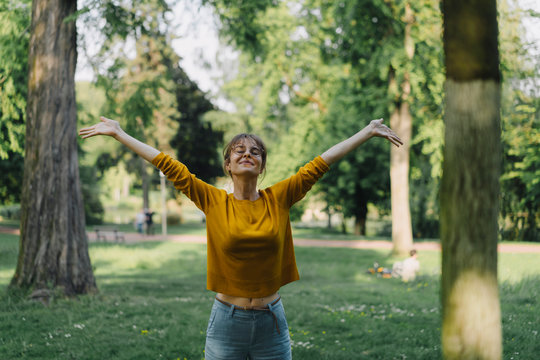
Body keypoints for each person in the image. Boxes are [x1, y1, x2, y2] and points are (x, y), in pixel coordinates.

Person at [79, 116, 402, 360]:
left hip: (271, 322)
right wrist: (120, 134)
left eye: (256, 152)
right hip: (226, 323)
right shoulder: (213, 201)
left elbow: (321, 163)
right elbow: (169, 165)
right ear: (228, 164)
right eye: (239, 151)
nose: (248, 154)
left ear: (261, 166)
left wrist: (367, 132)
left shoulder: (279, 198)